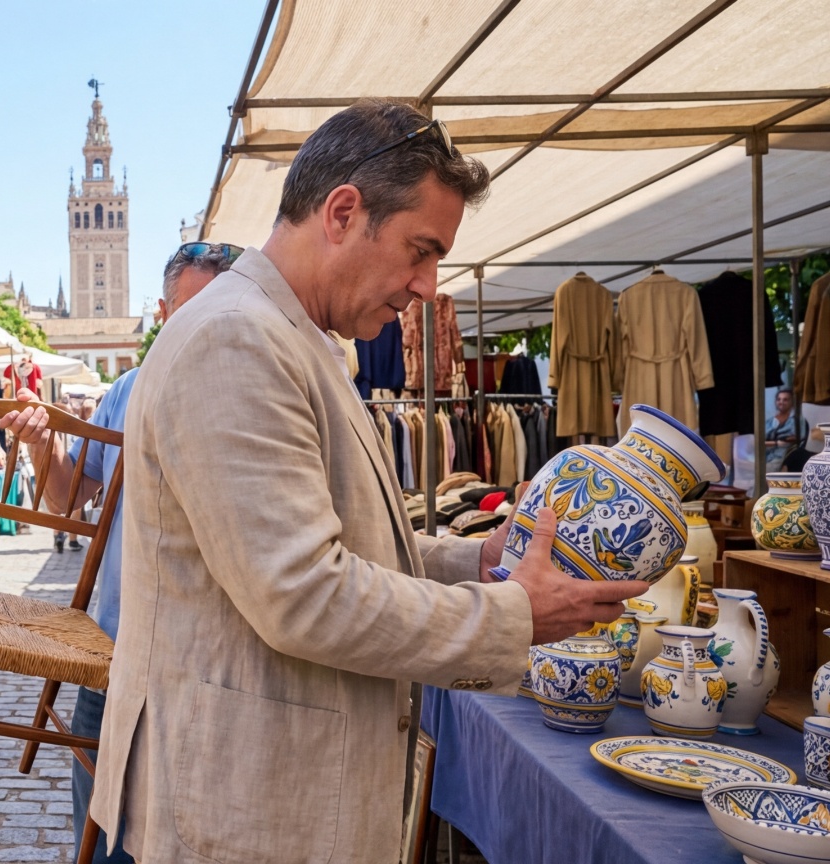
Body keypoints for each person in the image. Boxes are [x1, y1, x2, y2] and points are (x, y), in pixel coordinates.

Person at [83, 99, 646, 862]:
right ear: (343, 212)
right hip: (238, 807)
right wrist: (512, 617)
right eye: (420, 250)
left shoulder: (291, 335)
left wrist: (470, 561)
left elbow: (333, 537)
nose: (426, 285)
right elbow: (304, 594)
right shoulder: (235, 340)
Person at [0, 241, 237, 864]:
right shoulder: (126, 390)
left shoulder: (253, 396)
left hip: (209, 671)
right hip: (115, 656)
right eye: (190, 309)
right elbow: (66, 499)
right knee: (100, 839)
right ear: (162, 311)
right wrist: (40, 445)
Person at [765, 388, 806, 472]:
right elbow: (759, 440)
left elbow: (797, 439)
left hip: (784, 457)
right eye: (779, 399)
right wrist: (777, 443)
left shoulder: (797, 420)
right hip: (766, 456)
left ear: (792, 402)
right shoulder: (769, 421)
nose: (781, 402)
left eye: (785, 400)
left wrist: (772, 443)